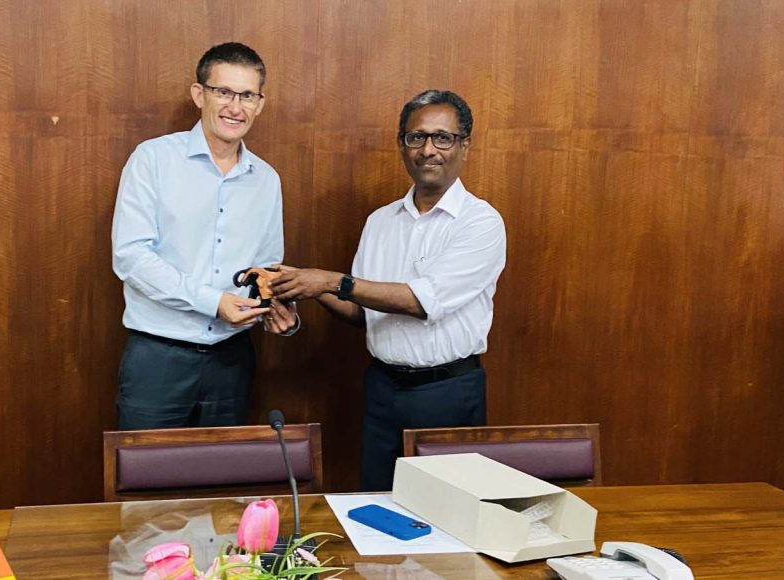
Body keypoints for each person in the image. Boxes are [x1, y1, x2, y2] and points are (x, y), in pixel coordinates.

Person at [272, 90, 506, 490]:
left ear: (464, 146)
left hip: (447, 392)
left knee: (447, 512)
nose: (428, 150)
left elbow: (420, 301)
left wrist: (329, 281)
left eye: (442, 138)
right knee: (378, 505)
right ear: (402, 145)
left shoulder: (481, 223)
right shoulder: (380, 221)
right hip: (382, 389)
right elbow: (361, 311)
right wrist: (303, 285)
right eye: (416, 137)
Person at [111, 42, 299, 430]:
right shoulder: (154, 159)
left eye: (247, 95)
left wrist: (277, 311)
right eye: (223, 92)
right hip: (158, 358)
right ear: (199, 94)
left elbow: (265, 268)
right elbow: (131, 257)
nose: (235, 107)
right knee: (147, 468)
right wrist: (213, 302)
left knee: (223, 468)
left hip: (232, 360)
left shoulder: (266, 179)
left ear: (260, 104)